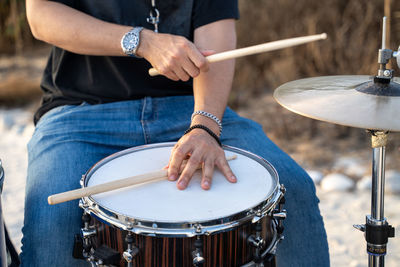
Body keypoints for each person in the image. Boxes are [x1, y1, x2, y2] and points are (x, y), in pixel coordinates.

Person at [22, 0, 330, 266]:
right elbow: (41, 14)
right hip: (80, 112)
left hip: (189, 108)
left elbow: (217, 36)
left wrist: (205, 127)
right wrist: (143, 41)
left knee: (293, 190)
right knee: (55, 220)